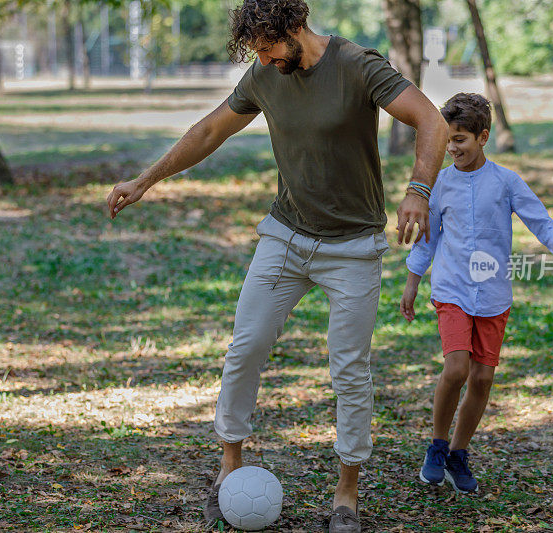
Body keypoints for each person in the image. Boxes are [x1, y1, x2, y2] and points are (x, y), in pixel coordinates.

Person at [106, 1, 448, 530]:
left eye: (266, 47)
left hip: (352, 246)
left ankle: (346, 493)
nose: (261, 59)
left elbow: (431, 119)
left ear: (294, 29)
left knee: (349, 369)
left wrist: (419, 189)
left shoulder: (358, 66)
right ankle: (229, 467)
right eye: (255, 52)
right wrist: (144, 180)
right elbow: (208, 132)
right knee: (245, 348)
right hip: (285, 237)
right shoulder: (265, 74)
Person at [400, 93, 553, 494]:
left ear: (483, 137)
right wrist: (412, 284)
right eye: (448, 140)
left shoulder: (506, 181)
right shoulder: (440, 183)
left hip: (494, 295)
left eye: (460, 140)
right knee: (457, 369)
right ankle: (437, 444)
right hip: (452, 290)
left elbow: (539, 218)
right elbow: (426, 241)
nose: (452, 148)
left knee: (482, 379)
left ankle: (458, 454)